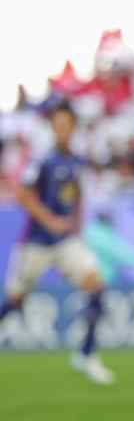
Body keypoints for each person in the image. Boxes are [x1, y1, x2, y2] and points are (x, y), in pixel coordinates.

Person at [0, 102, 113, 384]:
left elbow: (76, 197)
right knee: (15, 301)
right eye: (57, 124)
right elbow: (23, 194)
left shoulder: (76, 162)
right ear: (52, 128)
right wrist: (49, 219)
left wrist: (76, 225)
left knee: (97, 285)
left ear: (73, 127)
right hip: (36, 243)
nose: (62, 129)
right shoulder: (42, 161)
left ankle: (86, 354)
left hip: (64, 242)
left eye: (67, 124)